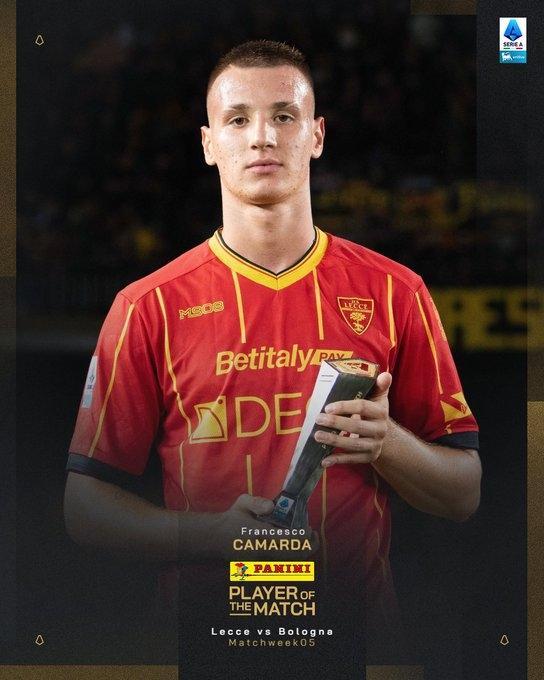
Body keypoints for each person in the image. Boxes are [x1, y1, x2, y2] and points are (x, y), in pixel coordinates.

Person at [64, 39, 481, 645]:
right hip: (200, 645)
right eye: (238, 119)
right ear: (209, 144)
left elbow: (464, 493)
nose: (262, 136)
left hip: (357, 644)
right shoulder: (146, 307)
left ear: (316, 135)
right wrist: (214, 536)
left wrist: (385, 442)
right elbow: (83, 508)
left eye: (284, 115)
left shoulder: (396, 291)